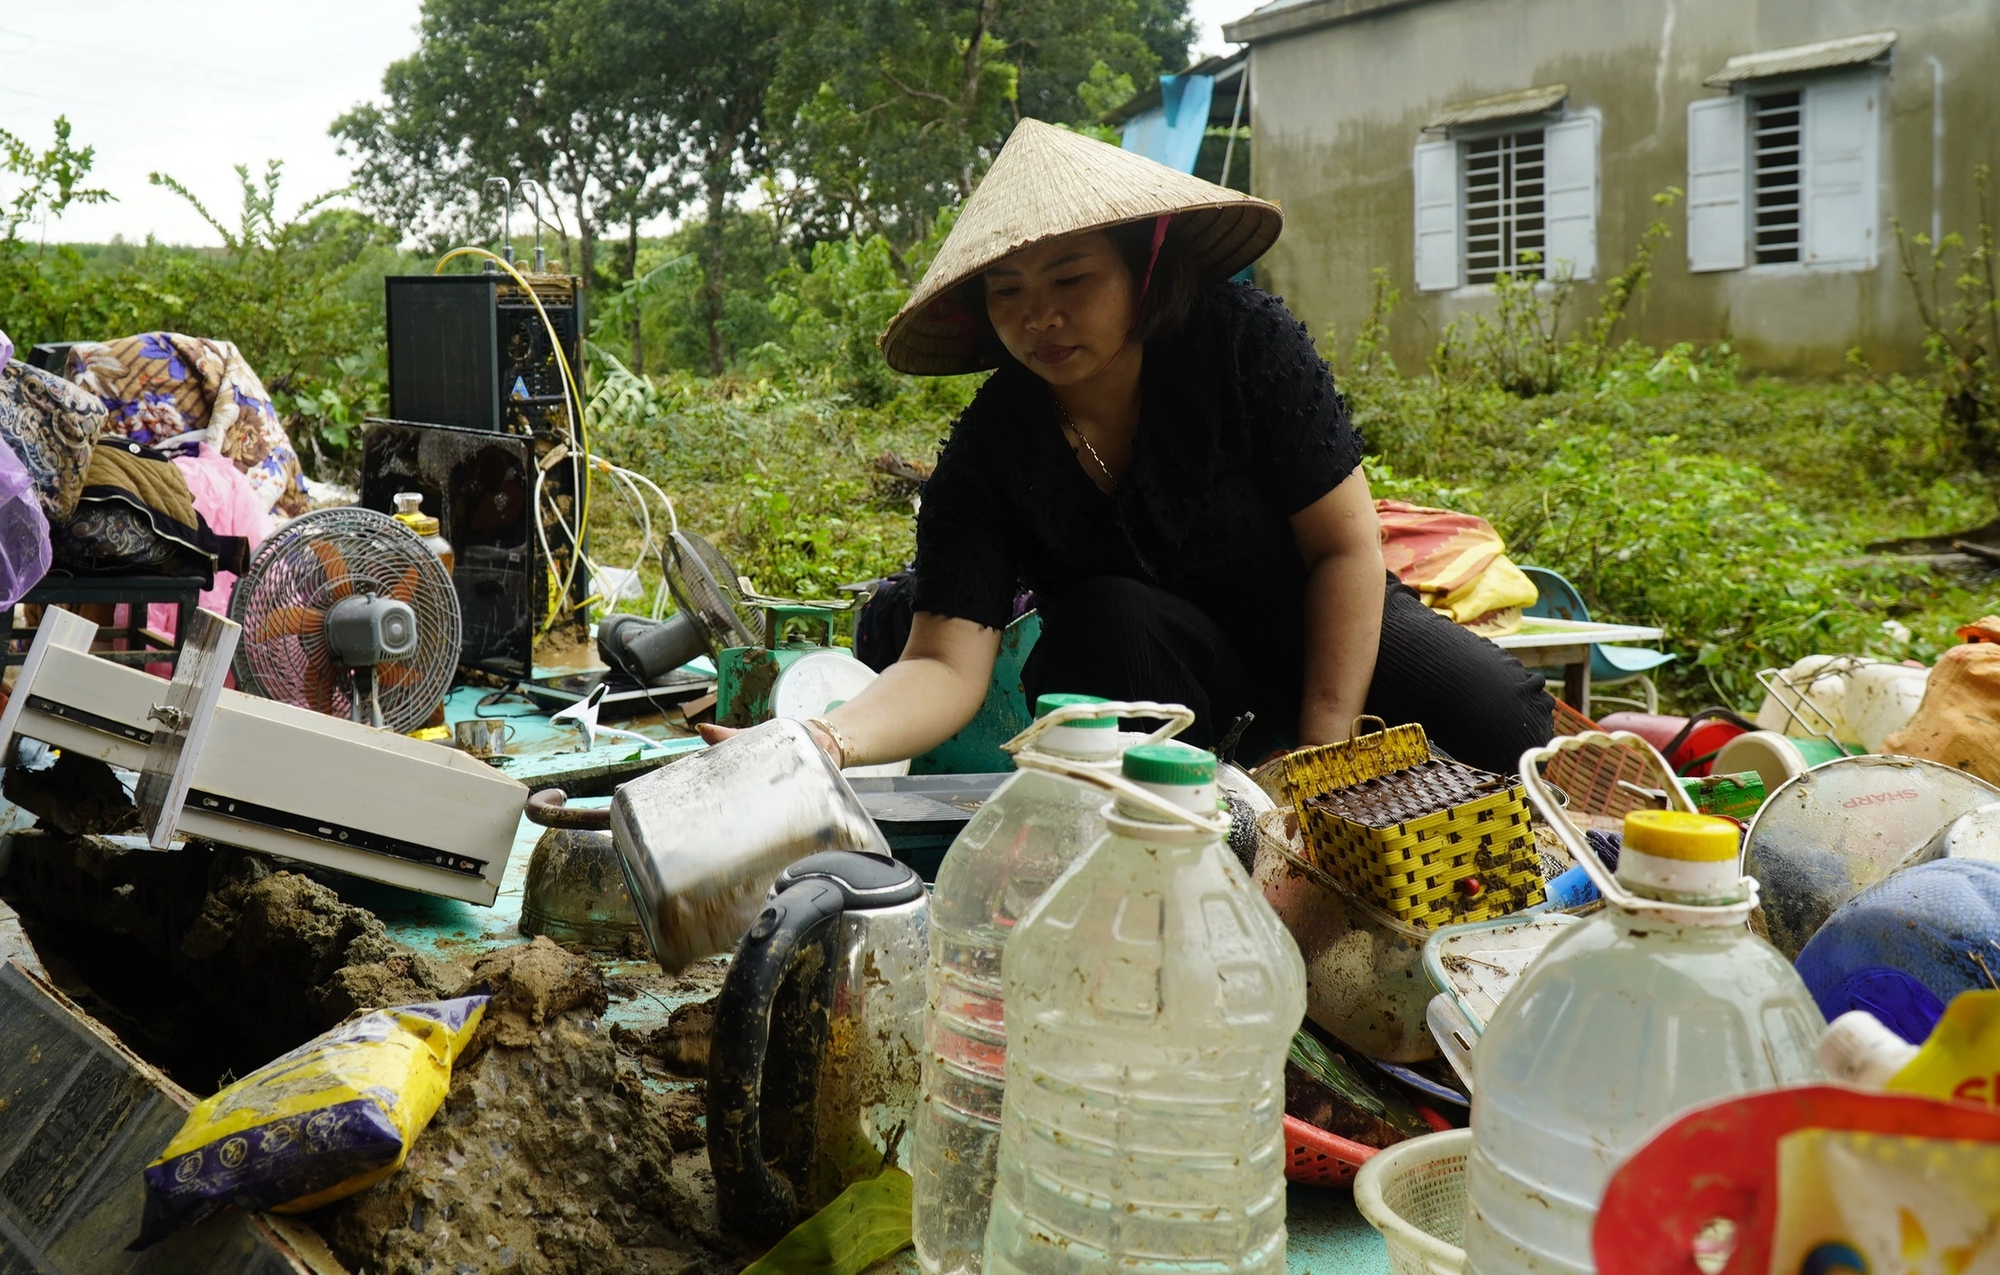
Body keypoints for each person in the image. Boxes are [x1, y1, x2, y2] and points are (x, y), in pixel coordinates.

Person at [703, 118, 1552, 773]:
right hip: (1154, 680)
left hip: (1317, 630)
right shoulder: (993, 448)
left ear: (1143, 268)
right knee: (1106, 617)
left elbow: (1345, 548)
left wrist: (1323, 759)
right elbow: (944, 664)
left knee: (1499, 718)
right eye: (1009, 292)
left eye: (1072, 279)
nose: (1040, 317)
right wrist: (821, 741)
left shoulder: (1240, 342)